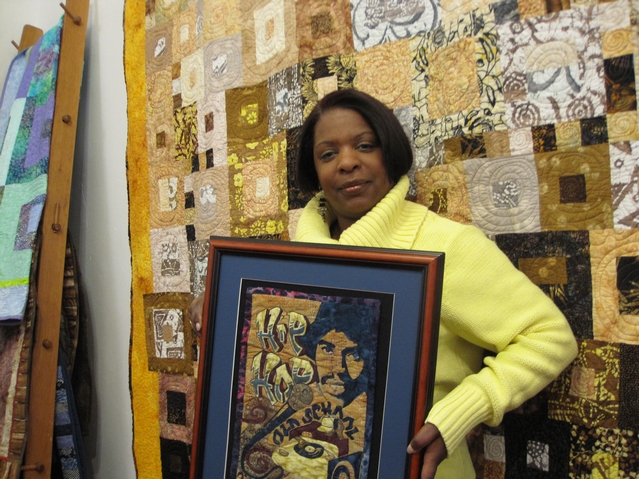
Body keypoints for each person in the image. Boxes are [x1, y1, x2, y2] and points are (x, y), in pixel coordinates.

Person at [190, 88, 578, 478]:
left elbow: (550, 336)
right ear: (315, 172)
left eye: (365, 145)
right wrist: (226, 305)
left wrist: (464, 409)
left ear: (389, 153)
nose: (347, 162)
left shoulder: (447, 245)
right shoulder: (294, 258)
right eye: (328, 154)